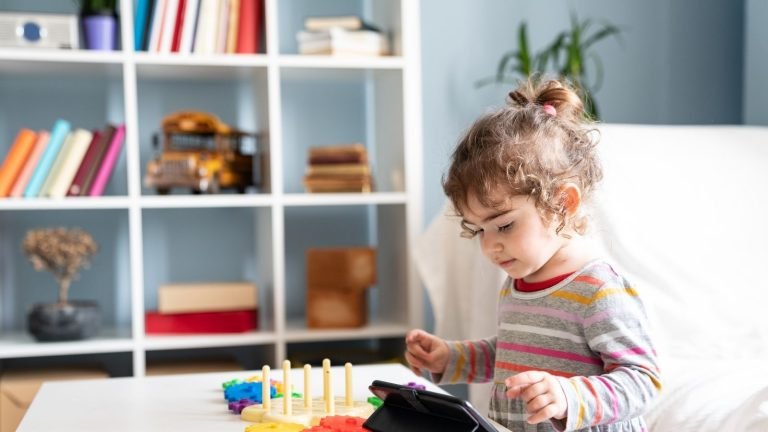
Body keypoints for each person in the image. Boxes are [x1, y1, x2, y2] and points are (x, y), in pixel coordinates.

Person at [405, 79, 661, 431]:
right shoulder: (519, 282)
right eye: (479, 229)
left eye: (504, 225)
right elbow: (512, 353)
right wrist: (452, 358)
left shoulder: (598, 289)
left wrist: (570, 396)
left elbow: (644, 380)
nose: (489, 245)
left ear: (562, 203)